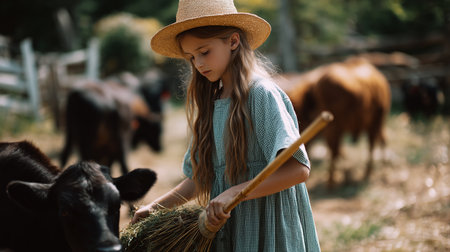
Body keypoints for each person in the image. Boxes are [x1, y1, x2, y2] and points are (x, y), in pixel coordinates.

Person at [131, 0, 321, 251]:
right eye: (191, 57)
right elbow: (200, 178)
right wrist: (154, 208)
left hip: (270, 225)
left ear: (233, 42)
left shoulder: (261, 94)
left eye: (204, 52)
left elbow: (298, 169)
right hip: (230, 228)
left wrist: (236, 192)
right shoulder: (211, 102)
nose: (198, 64)